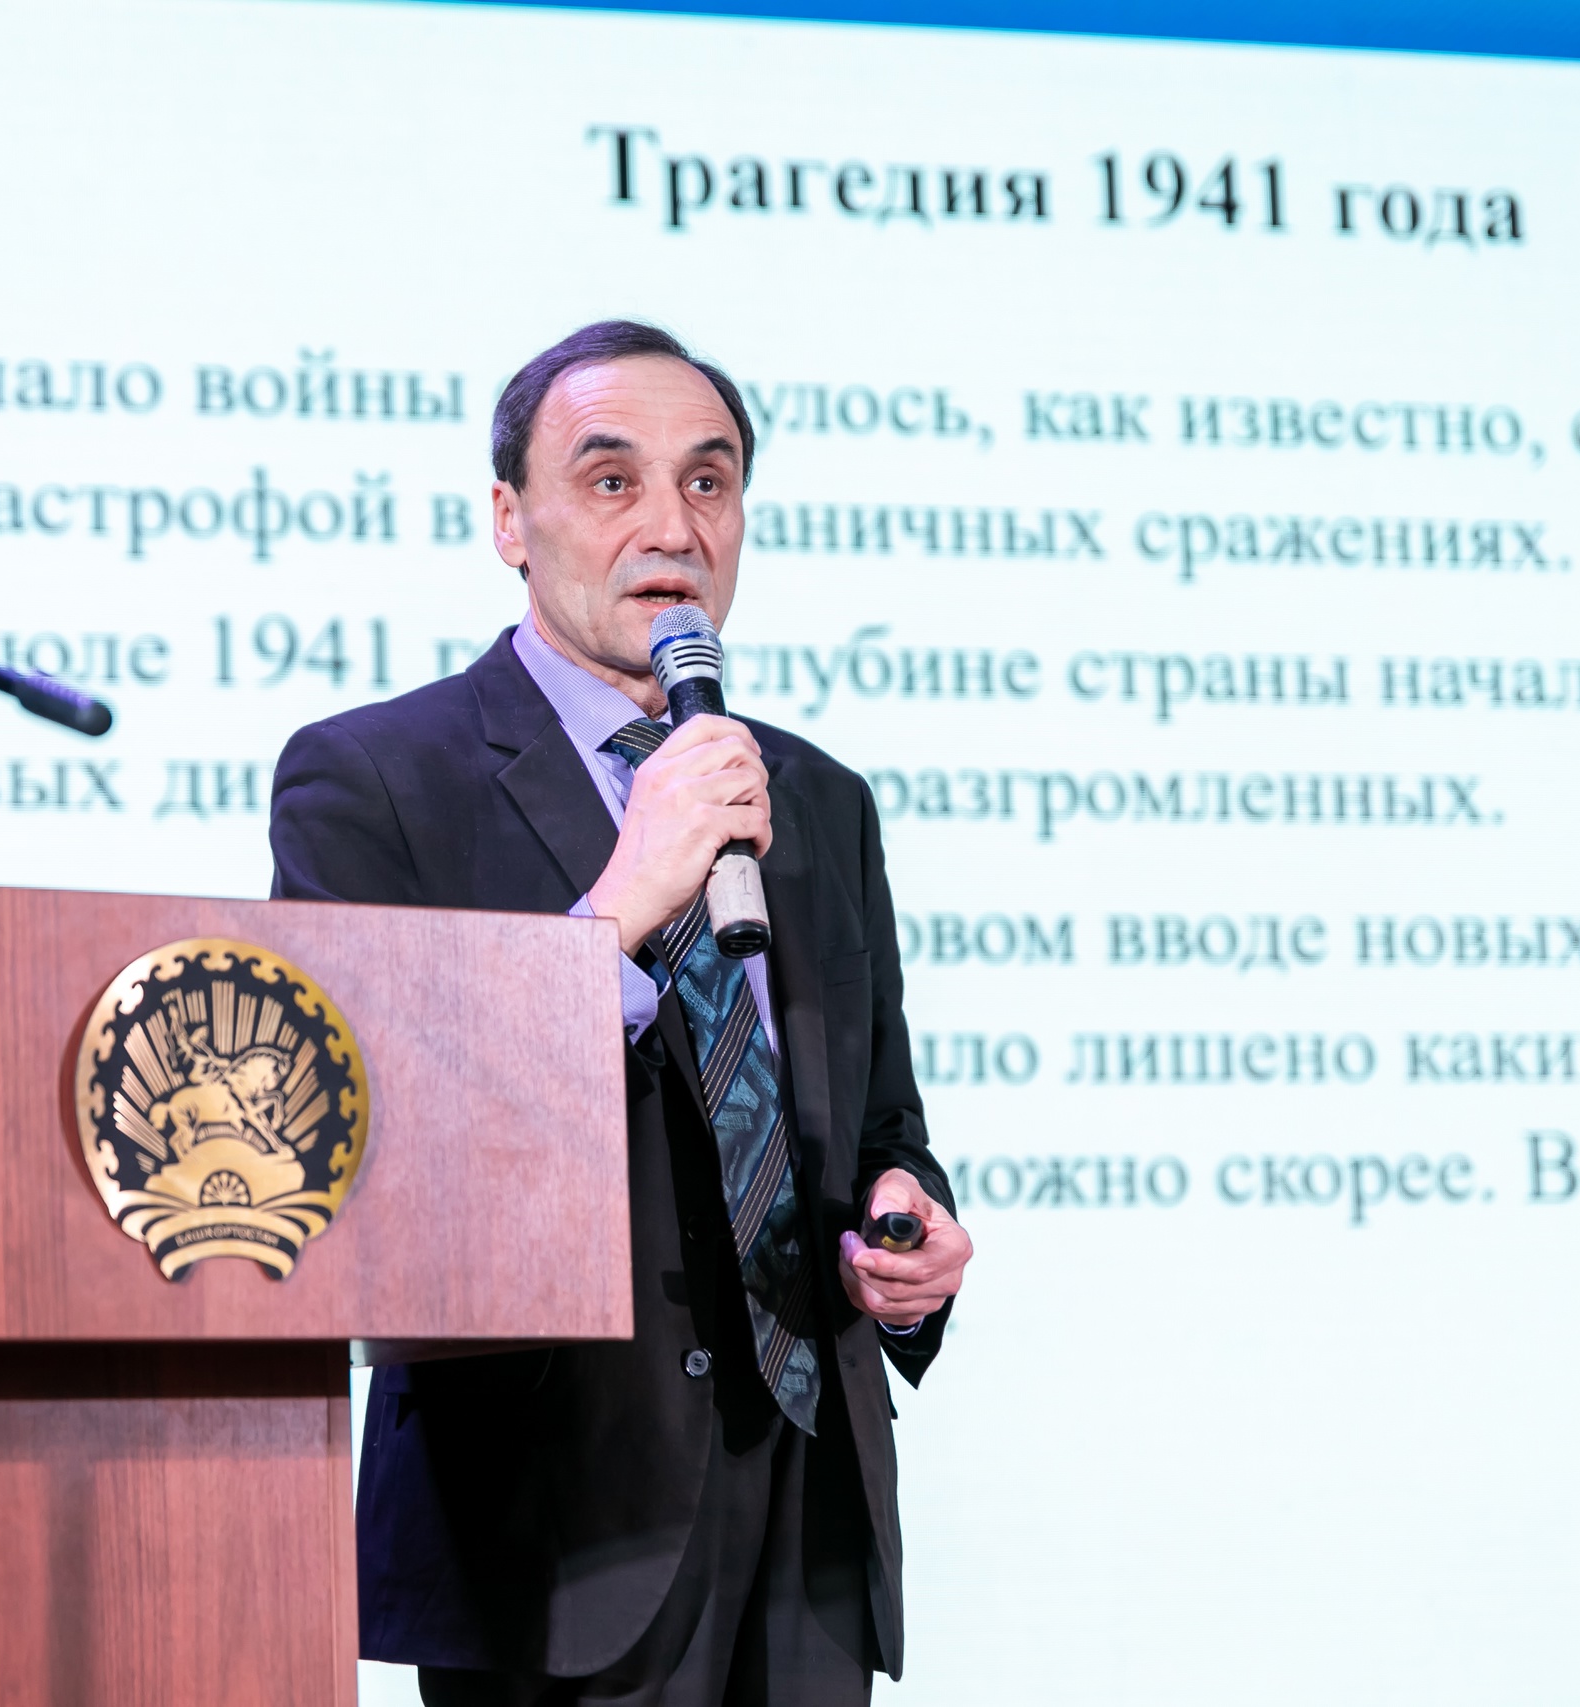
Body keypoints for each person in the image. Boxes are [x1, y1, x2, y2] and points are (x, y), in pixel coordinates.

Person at [268, 320, 973, 1706]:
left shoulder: (814, 798)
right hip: (553, 1537)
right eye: (611, 481)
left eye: (709, 482)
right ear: (509, 521)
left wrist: (905, 1223)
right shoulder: (375, 780)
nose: (672, 525)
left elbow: (881, 1123)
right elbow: (369, 1154)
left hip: (810, 1525)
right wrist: (619, 907)